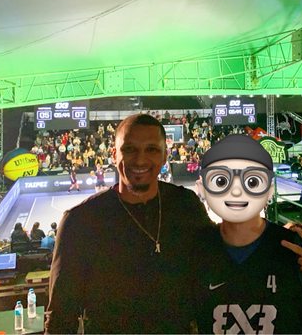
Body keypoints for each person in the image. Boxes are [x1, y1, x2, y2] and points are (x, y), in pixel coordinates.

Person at [45, 113, 212, 334]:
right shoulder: (81, 221)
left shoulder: (186, 206)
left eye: (151, 150)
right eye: (130, 149)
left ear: (165, 156)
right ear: (114, 155)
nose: (140, 160)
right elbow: (60, 316)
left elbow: (216, 269)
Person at [194, 134, 302, 334]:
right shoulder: (196, 249)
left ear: (269, 190)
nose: (236, 191)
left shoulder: (294, 249)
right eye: (221, 180)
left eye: (251, 181)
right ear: (202, 188)